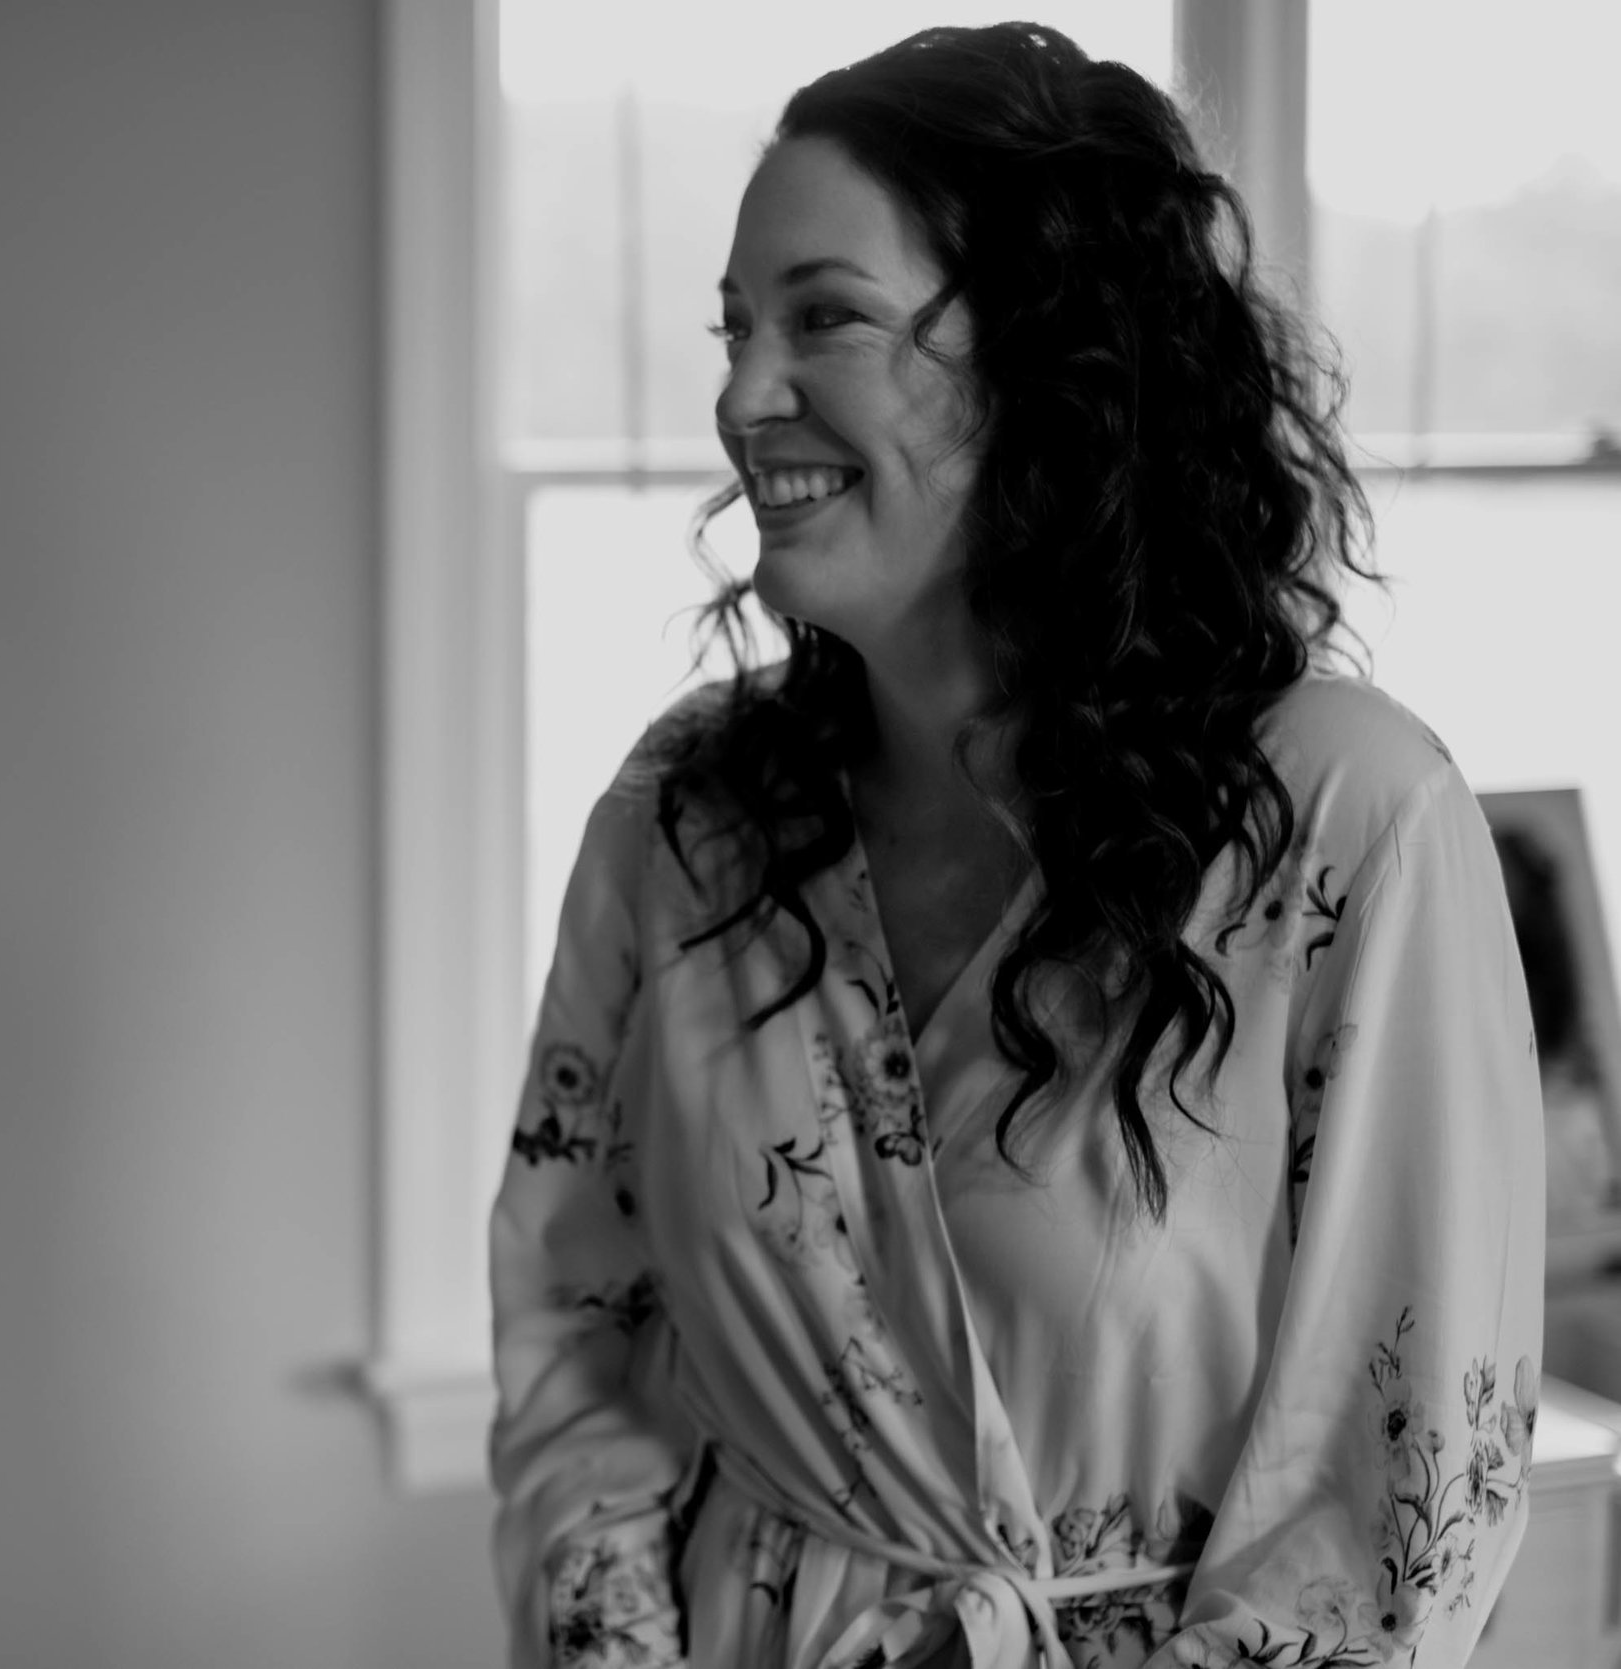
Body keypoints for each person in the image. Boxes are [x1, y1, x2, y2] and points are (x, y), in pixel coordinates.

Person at [489, 23, 1542, 1669]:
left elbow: (1391, 1524)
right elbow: (579, 1333)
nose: (740, 395)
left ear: (1053, 359)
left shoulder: (1350, 828)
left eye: (822, 317)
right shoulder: (681, 820)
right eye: (734, 327)